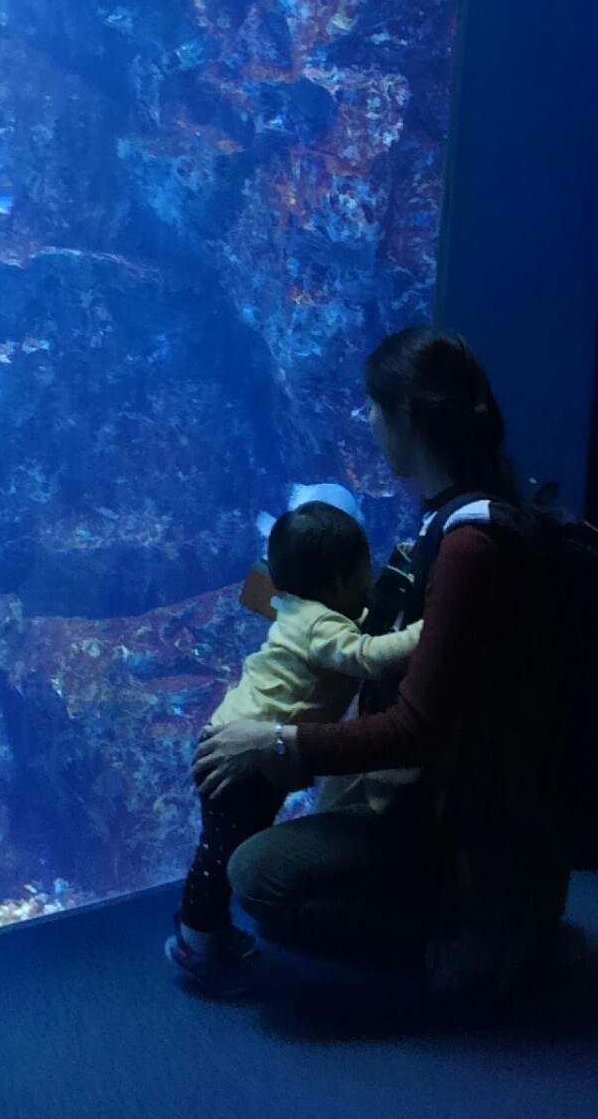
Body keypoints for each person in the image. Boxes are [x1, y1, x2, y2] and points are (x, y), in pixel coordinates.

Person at [192, 328, 575, 999]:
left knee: (257, 875)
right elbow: (347, 616)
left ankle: (462, 946)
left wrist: (276, 741)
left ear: (405, 417)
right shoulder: (453, 519)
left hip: (461, 826)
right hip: (443, 802)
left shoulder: (468, 550)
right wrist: (263, 590)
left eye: (372, 407)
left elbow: (413, 729)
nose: (364, 422)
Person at [167, 498, 423, 995]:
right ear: (337, 582)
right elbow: (368, 655)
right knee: (222, 853)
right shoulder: (321, 625)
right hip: (240, 761)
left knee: (226, 847)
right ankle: (195, 945)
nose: (368, 581)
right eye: (362, 572)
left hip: (236, 745)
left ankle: (207, 929)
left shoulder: (295, 606)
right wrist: (424, 632)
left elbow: (360, 619)